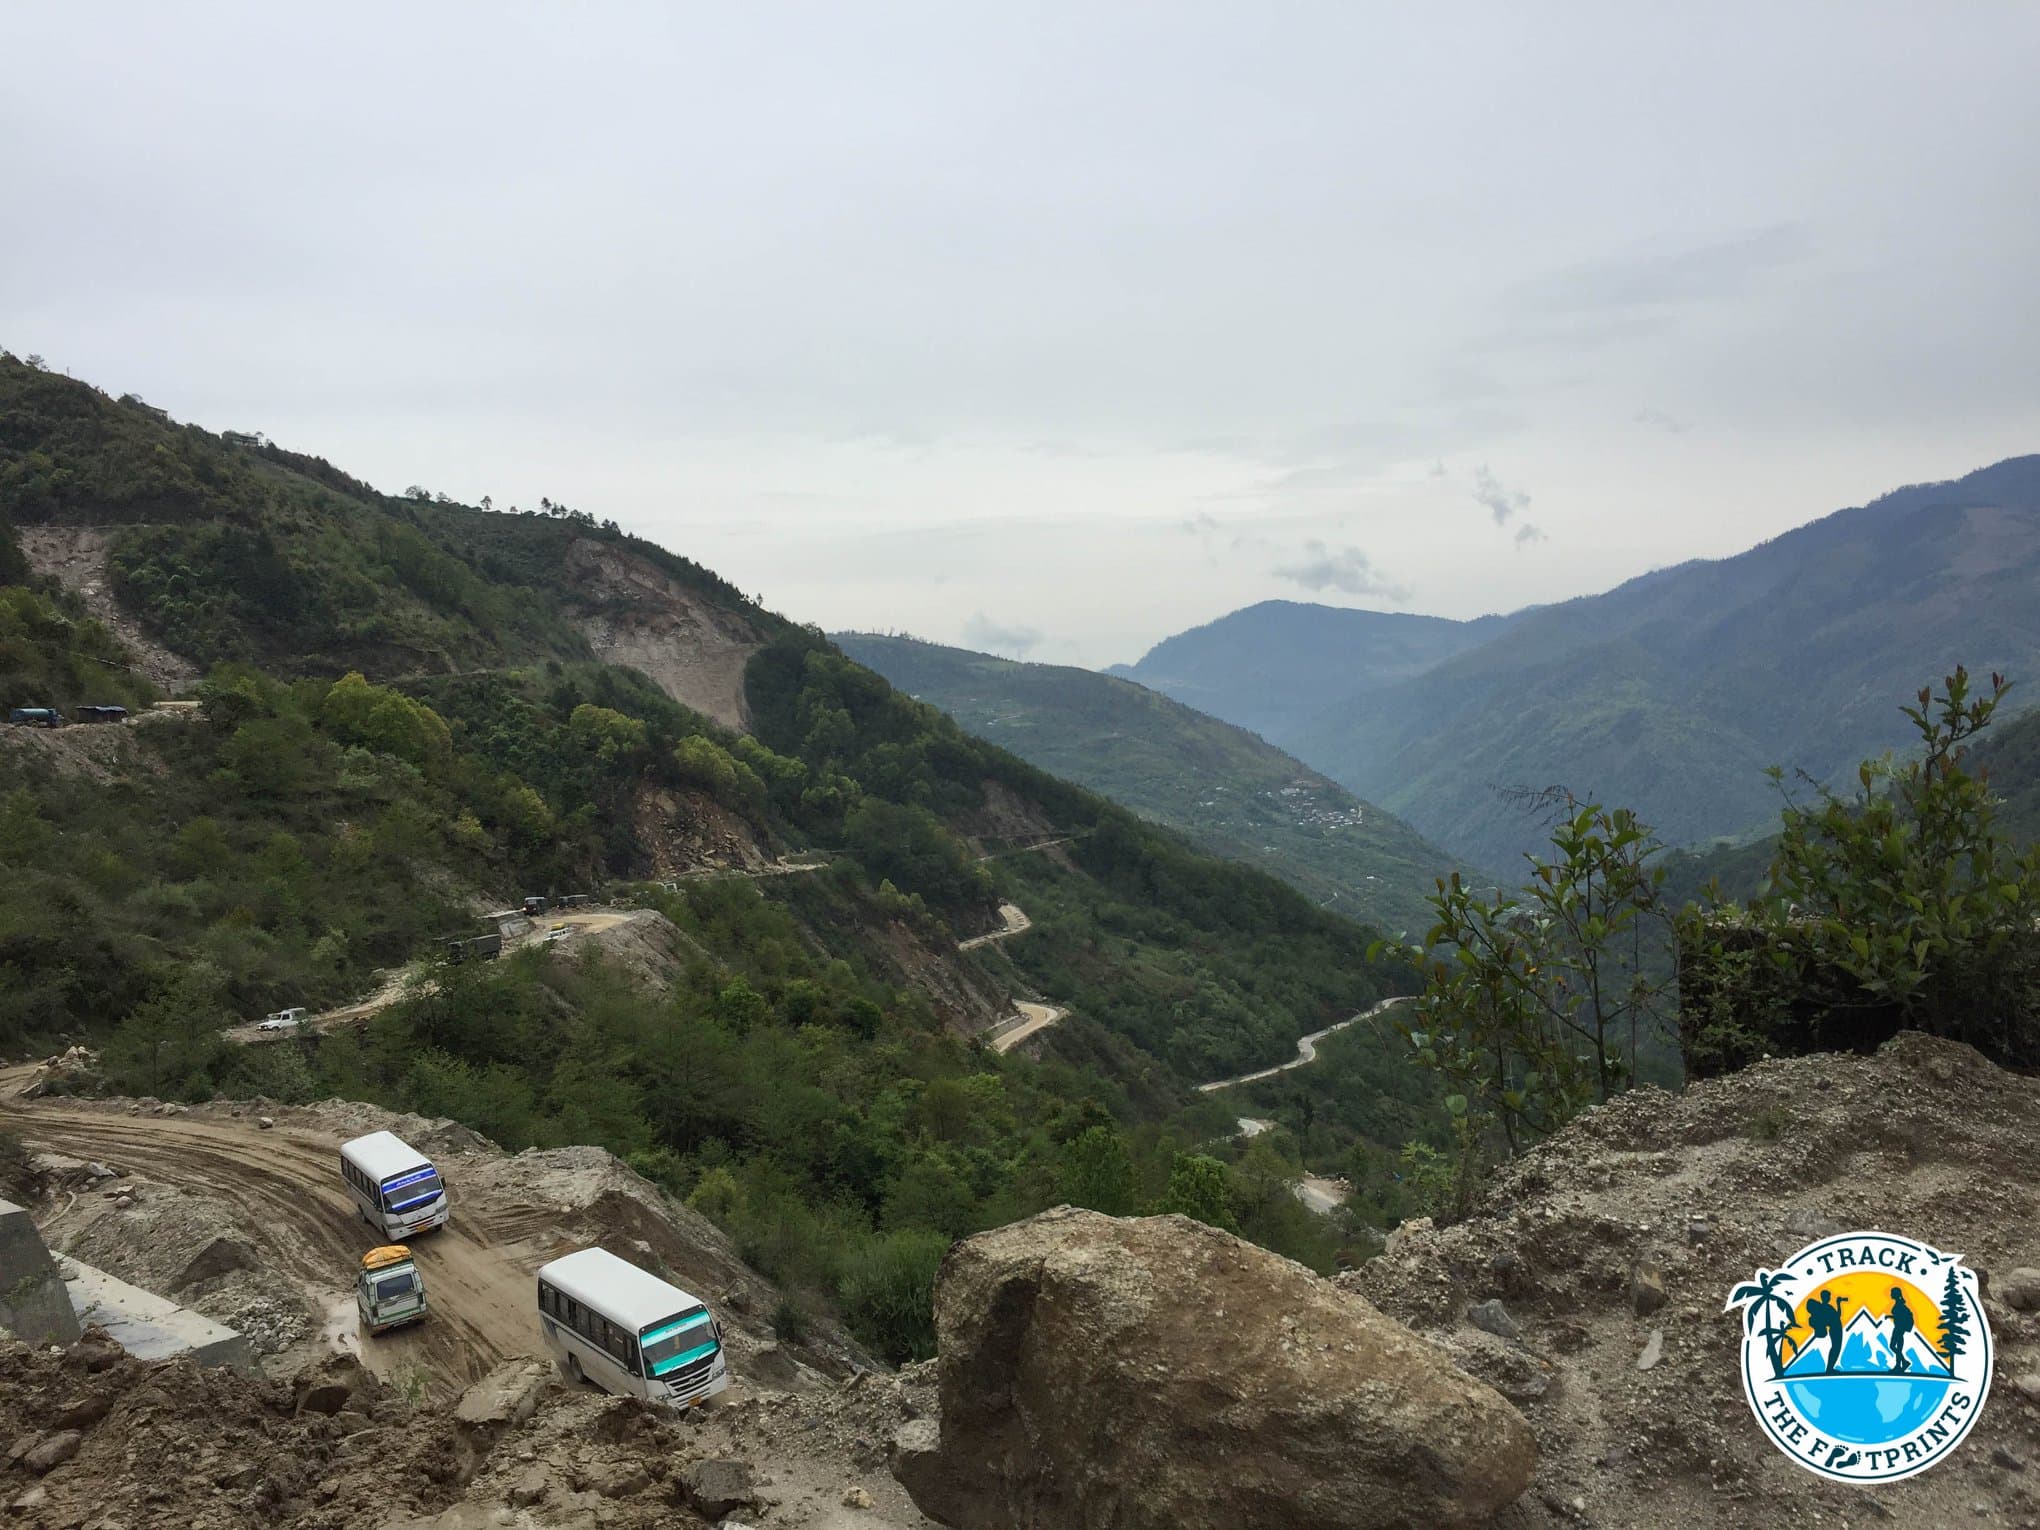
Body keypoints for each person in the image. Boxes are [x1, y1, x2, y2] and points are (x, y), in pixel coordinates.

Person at [1805, 1291, 1847, 1372]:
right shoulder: (1825, 1307)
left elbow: (1836, 1316)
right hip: (1835, 1328)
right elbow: (1837, 1316)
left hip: (1835, 1328)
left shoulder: (1825, 1307)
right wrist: (1838, 1304)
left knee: (1835, 1348)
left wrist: (1838, 1304)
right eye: (1828, 1296)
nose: (1829, 1298)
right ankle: (1829, 1369)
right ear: (1825, 1297)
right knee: (1835, 1348)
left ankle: (1829, 1368)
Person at [1888, 1287, 1916, 1373]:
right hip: (1899, 1328)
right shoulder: (1899, 1303)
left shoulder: (1899, 1304)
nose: (1890, 1294)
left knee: (1893, 1346)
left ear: (1896, 1294)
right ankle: (1900, 1365)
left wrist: (1892, 1317)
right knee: (1898, 1348)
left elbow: (1900, 1317)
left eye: (1892, 1293)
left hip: (1899, 1328)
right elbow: (1899, 1316)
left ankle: (1903, 1363)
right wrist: (1890, 1316)